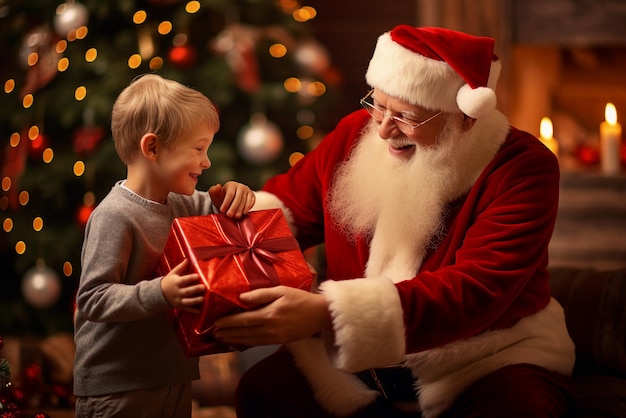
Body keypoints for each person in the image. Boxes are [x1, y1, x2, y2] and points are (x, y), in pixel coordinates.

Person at [212, 26, 576, 417]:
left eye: (407, 116)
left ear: (466, 119)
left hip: (482, 355)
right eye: (378, 104)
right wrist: (230, 232)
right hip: (350, 361)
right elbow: (289, 206)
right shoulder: (356, 132)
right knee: (261, 392)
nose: (383, 128)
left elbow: (478, 289)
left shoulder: (524, 167)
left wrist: (328, 313)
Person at [73, 74, 256, 418]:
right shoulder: (114, 216)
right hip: (118, 385)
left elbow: (225, 216)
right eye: (199, 149)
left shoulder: (185, 204)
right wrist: (161, 293)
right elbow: (92, 298)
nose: (207, 162)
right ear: (153, 148)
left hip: (174, 375)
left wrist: (236, 193)